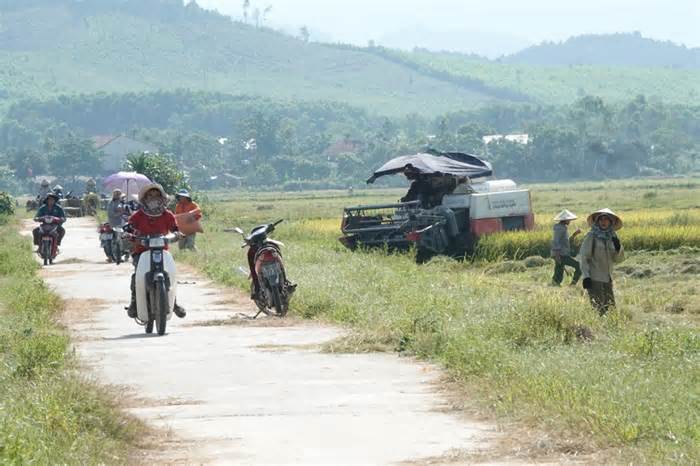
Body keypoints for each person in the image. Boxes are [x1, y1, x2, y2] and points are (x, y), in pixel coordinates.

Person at [124, 183, 186, 319]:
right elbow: (129, 227)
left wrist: (178, 233)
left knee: (170, 274)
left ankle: (173, 303)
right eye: (150, 195)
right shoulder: (138, 215)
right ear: (145, 198)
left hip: (162, 251)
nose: (153, 198)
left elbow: (175, 228)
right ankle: (134, 303)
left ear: (162, 197)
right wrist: (127, 233)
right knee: (137, 276)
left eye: (157, 195)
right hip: (141, 251)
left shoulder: (167, 215)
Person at [579, 208, 625, 315]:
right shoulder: (591, 237)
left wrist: (618, 248)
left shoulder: (613, 237)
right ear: (597, 221)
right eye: (601, 219)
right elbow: (584, 257)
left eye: (606, 219)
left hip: (608, 278)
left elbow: (618, 260)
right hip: (595, 279)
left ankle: (610, 330)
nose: (603, 222)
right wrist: (586, 277)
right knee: (599, 310)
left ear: (611, 222)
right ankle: (598, 330)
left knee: (611, 309)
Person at [550, 209, 582, 286]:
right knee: (579, 266)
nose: (570, 221)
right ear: (565, 220)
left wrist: (574, 234)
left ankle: (555, 283)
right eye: (569, 219)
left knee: (559, 269)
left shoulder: (563, 228)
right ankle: (572, 284)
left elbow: (566, 242)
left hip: (562, 254)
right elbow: (555, 241)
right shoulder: (560, 229)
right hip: (561, 254)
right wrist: (557, 255)